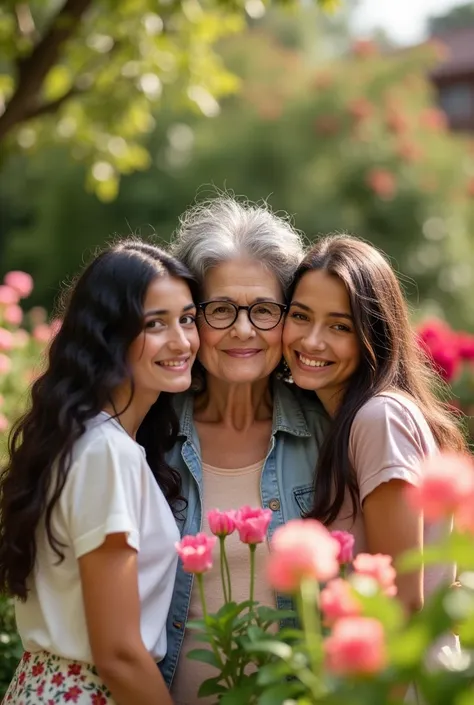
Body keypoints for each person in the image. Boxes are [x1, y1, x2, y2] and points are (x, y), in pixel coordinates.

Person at [0, 240, 200, 704]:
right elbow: (118, 653)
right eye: (155, 324)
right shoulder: (107, 453)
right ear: (109, 334)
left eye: (187, 319)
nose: (182, 341)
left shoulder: (86, 440)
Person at [159, 196, 329, 703]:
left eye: (263, 310)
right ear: (191, 317)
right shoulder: (147, 436)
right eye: (221, 309)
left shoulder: (328, 434)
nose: (243, 329)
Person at [282, 234, 466, 697]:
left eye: (339, 326)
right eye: (300, 316)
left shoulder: (377, 419)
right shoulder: (351, 419)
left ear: (374, 335)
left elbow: (403, 604)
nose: (312, 340)